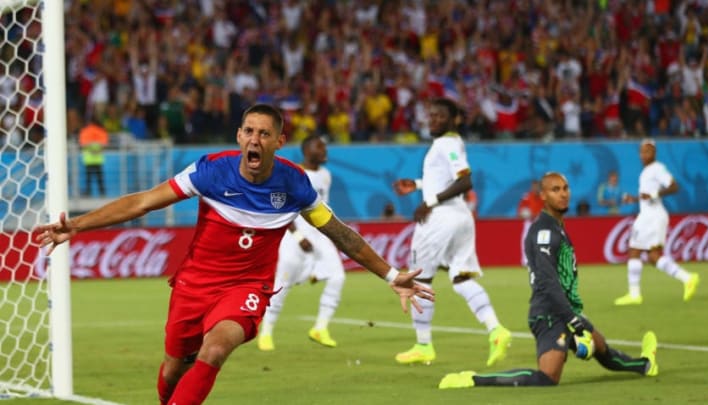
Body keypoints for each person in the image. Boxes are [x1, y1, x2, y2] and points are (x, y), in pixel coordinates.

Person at [35, 104, 434, 405]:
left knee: (215, 348)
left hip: (246, 287)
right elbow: (143, 202)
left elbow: (340, 233)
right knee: (175, 365)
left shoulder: (295, 185)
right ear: (239, 135)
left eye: (264, 133)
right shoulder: (211, 171)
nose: (255, 139)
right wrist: (77, 225)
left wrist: (390, 274)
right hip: (194, 284)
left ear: (279, 141)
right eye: (248, 131)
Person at [438, 172, 659, 389]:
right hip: (549, 314)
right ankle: (473, 379)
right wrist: (573, 321)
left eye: (565, 188)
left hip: (566, 310)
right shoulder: (544, 231)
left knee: (604, 352)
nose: (563, 194)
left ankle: (646, 363)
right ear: (543, 195)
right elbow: (547, 281)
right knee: (547, 377)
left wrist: (574, 317)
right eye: (555, 190)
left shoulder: (556, 226)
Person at [391, 97, 511, 367]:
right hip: (461, 217)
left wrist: (429, 201)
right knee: (461, 279)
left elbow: (465, 181)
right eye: (431, 116)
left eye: (440, 117)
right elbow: (445, 178)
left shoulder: (445, 143)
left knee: (418, 280)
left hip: (441, 219)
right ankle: (496, 330)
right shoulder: (452, 143)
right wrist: (420, 184)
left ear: (454, 120)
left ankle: (423, 345)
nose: (433, 120)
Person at [257, 134, 346, 350]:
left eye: (325, 146)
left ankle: (320, 328)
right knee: (281, 285)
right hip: (294, 235)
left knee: (338, 276)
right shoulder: (292, 174)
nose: (325, 150)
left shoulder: (326, 175)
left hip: (319, 236)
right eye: (320, 146)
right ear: (307, 151)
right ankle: (266, 332)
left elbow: (323, 208)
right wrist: (298, 236)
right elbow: (280, 208)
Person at [614, 139, 700, 306]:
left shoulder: (657, 169)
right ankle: (688, 278)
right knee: (652, 257)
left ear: (654, 152)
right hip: (650, 215)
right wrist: (634, 198)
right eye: (641, 152)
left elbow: (674, 186)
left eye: (647, 151)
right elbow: (647, 195)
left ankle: (634, 294)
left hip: (652, 217)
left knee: (635, 250)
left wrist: (653, 195)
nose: (643, 155)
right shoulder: (647, 171)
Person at [78, 116, 109, 196]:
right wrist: (97, 150)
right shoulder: (101, 131)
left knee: (89, 178)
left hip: (88, 159)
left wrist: (91, 150)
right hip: (98, 159)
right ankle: (102, 193)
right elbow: (104, 144)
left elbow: (82, 144)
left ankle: (88, 193)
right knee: (100, 178)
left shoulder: (85, 131)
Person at [517, 179, 543, 265]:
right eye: (533, 186)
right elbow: (520, 211)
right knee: (526, 240)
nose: (535, 188)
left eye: (537, 186)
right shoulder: (526, 197)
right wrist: (525, 215)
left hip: (540, 222)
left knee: (541, 241)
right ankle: (525, 260)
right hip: (529, 222)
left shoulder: (543, 197)